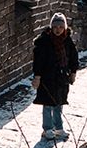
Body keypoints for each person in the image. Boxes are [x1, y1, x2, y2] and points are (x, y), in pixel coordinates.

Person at [31, 12, 80, 140]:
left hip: (61, 78)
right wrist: (37, 76)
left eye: (60, 27)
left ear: (64, 27)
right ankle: (47, 129)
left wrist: (73, 72)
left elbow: (73, 57)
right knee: (47, 104)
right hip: (47, 78)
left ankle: (58, 128)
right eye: (55, 27)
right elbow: (39, 60)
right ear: (51, 27)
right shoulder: (44, 42)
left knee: (59, 104)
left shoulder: (67, 41)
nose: (58, 30)